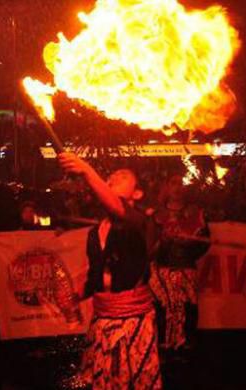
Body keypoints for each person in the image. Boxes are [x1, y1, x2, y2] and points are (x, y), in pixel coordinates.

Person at [58, 153, 161, 389]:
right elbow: (97, 275)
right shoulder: (96, 232)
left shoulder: (142, 223)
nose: (115, 175)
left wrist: (86, 170)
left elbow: (118, 208)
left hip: (133, 321)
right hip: (103, 318)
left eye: (124, 176)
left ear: (137, 194)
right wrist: (75, 295)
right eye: (112, 176)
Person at [149, 174, 209, 353]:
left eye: (181, 183)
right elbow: (149, 245)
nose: (177, 187)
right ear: (167, 186)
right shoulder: (157, 214)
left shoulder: (196, 213)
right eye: (173, 183)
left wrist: (190, 245)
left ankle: (186, 348)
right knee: (163, 309)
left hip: (186, 268)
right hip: (162, 269)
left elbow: (205, 242)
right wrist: (162, 243)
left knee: (188, 308)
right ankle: (164, 349)